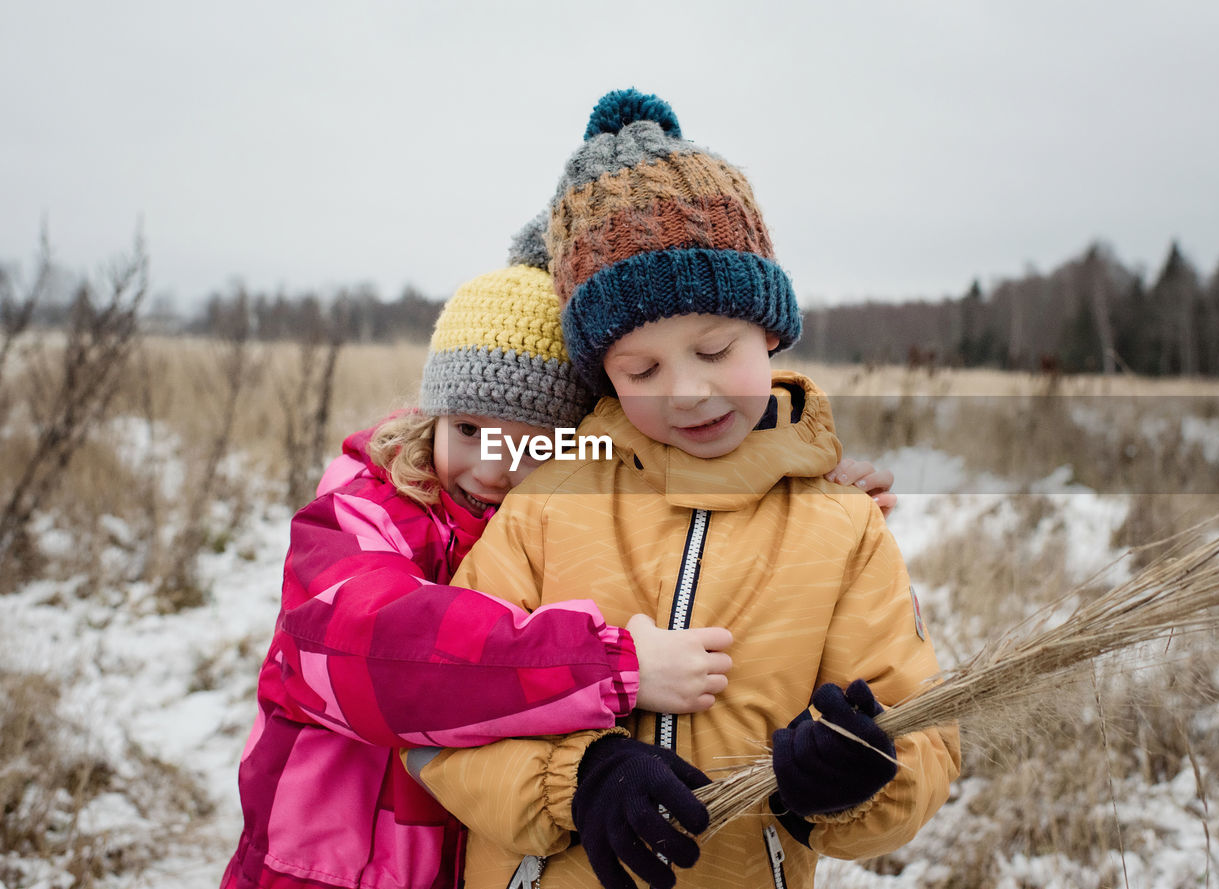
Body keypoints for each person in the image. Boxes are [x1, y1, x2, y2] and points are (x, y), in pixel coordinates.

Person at [222, 219, 892, 889]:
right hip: (320, 870)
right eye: (468, 428)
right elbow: (367, 650)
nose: (491, 465)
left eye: (532, 443)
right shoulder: (365, 512)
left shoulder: (547, 526)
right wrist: (614, 666)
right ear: (432, 414)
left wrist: (794, 480)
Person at [406, 89, 961, 889]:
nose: (689, 392)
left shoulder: (842, 528)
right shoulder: (545, 507)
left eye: (714, 348)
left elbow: (924, 737)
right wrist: (576, 776)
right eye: (643, 369)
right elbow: (437, 713)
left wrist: (856, 780)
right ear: (603, 372)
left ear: (770, 328)